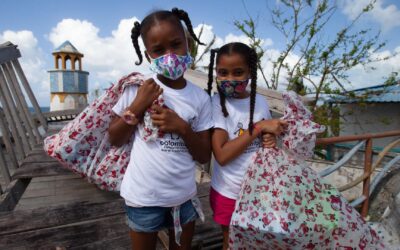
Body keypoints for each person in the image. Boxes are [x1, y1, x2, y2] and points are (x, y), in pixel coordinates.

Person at [108, 8, 213, 250]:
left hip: (184, 199)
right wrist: (137, 106)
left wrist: (182, 128)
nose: (170, 55)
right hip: (143, 199)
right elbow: (114, 137)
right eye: (158, 50)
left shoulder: (200, 98)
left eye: (176, 44)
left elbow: (204, 155)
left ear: (188, 44)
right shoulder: (138, 88)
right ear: (148, 55)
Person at [206, 42, 287, 249]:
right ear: (215, 72)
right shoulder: (217, 103)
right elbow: (222, 155)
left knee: (258, 241)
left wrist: (269, 138)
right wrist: (259, 128)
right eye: (223, 72)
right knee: (231, 242)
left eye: (238, 72)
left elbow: (265, 135)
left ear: (250, 72)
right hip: (229, 192)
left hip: (260, 191)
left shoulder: (259, 101)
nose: (230, 79)